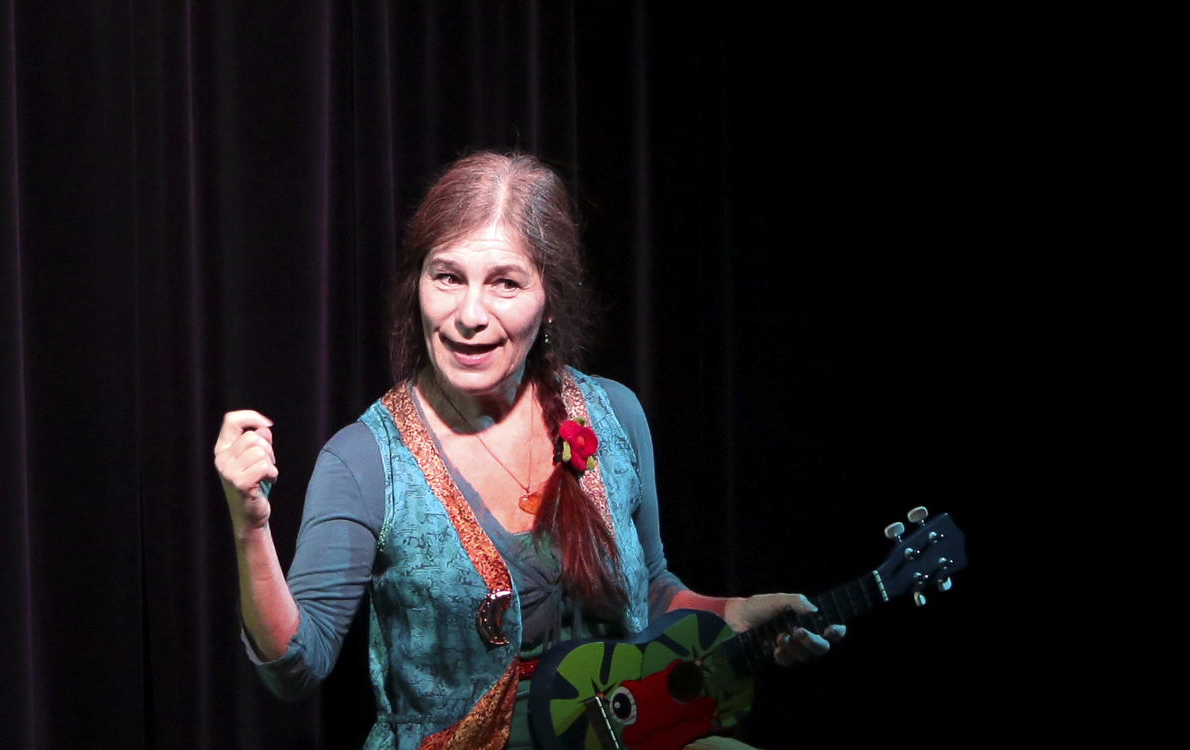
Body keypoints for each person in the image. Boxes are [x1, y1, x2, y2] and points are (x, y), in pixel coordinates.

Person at [214, 151, 844, 750]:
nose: (470, 313)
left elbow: (651, 592)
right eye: (448, 277)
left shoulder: (613, 414)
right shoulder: (364, 460)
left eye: (506, 283)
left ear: (549, 302)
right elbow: (295, 668)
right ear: (417, 287)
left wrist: (737, 613)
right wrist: (251, 527)